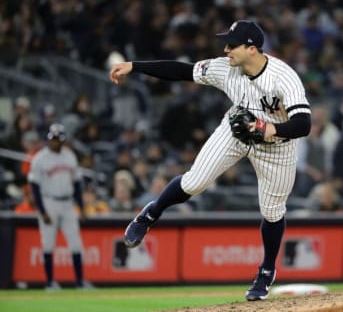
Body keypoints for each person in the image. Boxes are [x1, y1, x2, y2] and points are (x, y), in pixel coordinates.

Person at [109, 20, 311, 301]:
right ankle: (150, 214)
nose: (226, 48)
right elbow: (181, 71)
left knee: (273, 211)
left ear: (251, 48)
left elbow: (303, 124)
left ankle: (266, 270)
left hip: (277, 147)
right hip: (236, 130)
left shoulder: (282, 77)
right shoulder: (225, 68)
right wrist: (135, 65)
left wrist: (270, 129)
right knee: (194, 182)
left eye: (232, 44)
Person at [28, 123, 93, 290]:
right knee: (48, 244)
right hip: (49, 202)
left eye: (58, 139)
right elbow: (34, 186)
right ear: (49, 139)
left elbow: (78, 183)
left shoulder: (69, 156)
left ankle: (79, 282)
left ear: (63, 141)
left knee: (76, 243)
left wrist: (82, 207)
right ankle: (50, 282)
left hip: (67, 203)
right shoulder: (40, 158)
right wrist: (42, 211)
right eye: (53, 139)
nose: (55, 142)